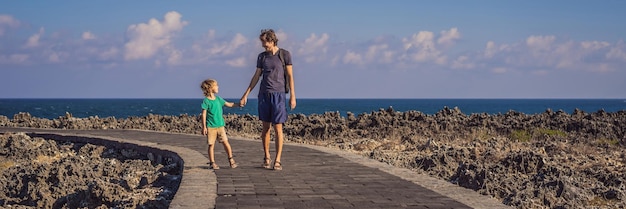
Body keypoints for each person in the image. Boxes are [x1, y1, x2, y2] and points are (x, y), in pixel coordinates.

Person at [240, 29, 296, 171]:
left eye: (265, 42)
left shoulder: (285, 55)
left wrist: (293, 96)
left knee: (278, 128)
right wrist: (246, 94)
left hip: (279, 95)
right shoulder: (262, 57)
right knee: (265, 128)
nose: (263, 45)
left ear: (272, 40)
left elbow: (290, 76)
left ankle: (277, 160)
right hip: (264, 95)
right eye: (262, 42)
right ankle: (266, 157)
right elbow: (256, 76)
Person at [201, 79, 240, 170]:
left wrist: (238, 104)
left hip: (220, 126)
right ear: (210, 88)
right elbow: (204, 114)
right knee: (211, 145)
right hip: (211, 127)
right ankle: (212, 163)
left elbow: (229, 104)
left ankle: (231, 160)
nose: (218, 87)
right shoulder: (206, 101)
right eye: (216, 85)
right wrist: (204, 127)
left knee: (226, 143)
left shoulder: (218, 99)